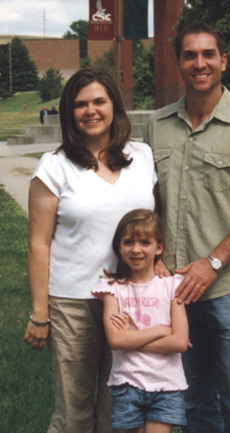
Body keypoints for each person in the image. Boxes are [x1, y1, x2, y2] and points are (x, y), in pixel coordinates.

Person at [144, 22, 230, 433]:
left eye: (208, 54)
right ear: (178, 64)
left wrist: (213, 261)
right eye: (190, 55)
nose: (199, 63)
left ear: (223, 61)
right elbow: (152, 199)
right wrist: (156, 256)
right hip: (175, 291)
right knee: (194, 406)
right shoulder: (157, 125)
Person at [23, 67, 159, 433]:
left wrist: (159, 264)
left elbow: (154, 222)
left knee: (120, 408)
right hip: (73, 302)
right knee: (75, 411)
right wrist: (40, 313)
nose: (91, 110)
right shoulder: (54, 167)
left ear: (114, 104)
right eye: (80, 104)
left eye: (99, 101)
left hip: (131, 300)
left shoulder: (142, 157)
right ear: (70, 113)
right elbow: (38, 243)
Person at [92, 209, 189, 433]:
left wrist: (131, 338)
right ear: (119, 247)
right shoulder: (111, 288)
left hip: (166, 385)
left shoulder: (173, 286)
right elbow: (116, 340)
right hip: (128, 384)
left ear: (159, 247)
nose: (136, 249)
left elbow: (179, 343)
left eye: (145, 242)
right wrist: (164, 330)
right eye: (128, 242)